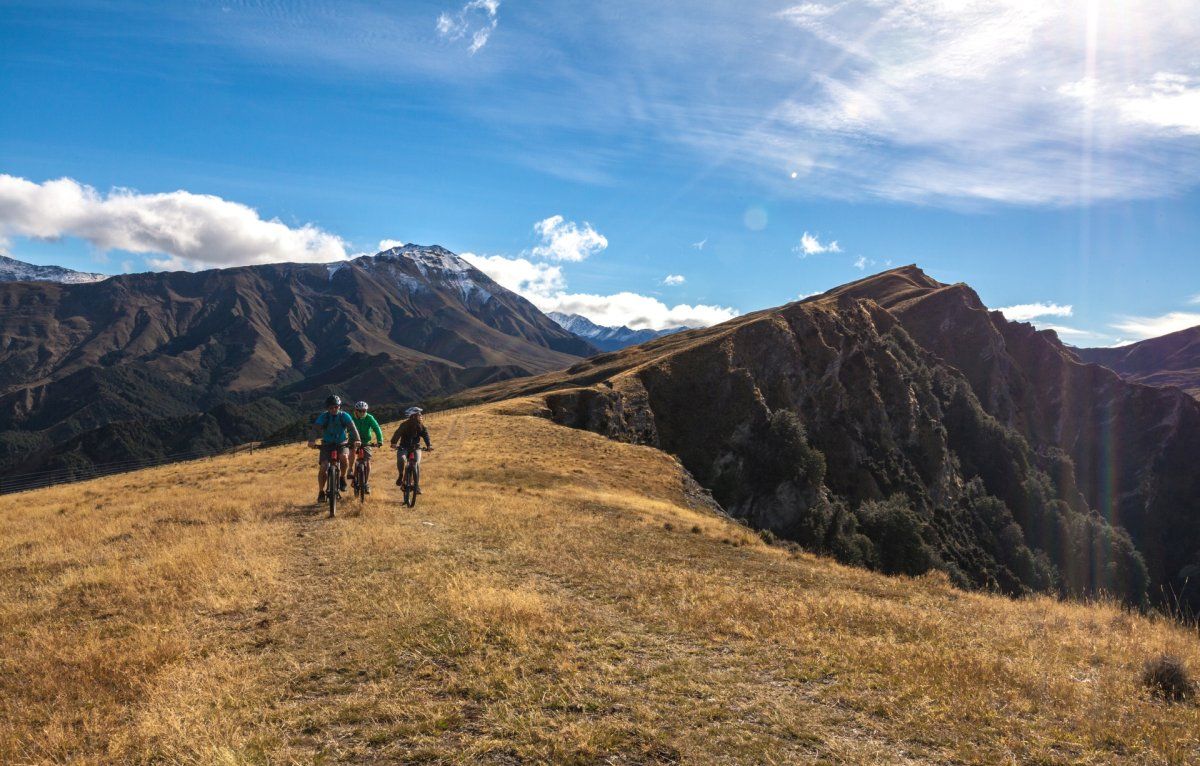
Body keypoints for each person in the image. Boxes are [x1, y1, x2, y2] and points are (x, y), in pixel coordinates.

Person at [308, 395, 361, 504]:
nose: (334, 410)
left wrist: (357, 439)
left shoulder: (344, 416)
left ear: (339, 407)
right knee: (324, 467)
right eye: (331, 408)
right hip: (327, 444)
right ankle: (321, 491)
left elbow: (352, 428)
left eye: (336, 407)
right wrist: (311, 441)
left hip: (341, 443)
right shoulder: (324, 417)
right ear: (327, 408)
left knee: (344, 458)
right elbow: (315, 429)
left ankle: (342, 477)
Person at [391, 406, 433, 494]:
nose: (421, 416)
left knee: (416, 464)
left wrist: (429, 445)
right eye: (419, 414)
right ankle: (401, 475)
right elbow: (397, 433)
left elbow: (425, 435)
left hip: (416, 448)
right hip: (404, 447)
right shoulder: (404, 425)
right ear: (413, 416)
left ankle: (416, 485)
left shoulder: (421, 426)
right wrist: (394, 443)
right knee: (401, 459)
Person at [347, 400, 384, 494]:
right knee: (352, 452)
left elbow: (376, 428)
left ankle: (366, 483)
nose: (363, 412)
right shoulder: (351, 417)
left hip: (366, 441)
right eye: (360, 411)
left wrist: (380, 440)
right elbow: (344, 428)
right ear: (356, 410)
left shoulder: (369, 417)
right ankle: (350, 469)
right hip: (353, 439)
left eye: (364, 411)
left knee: (367, 462)